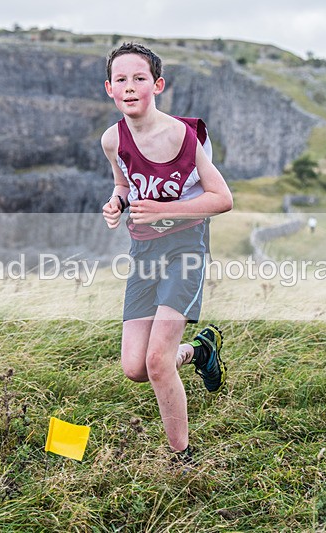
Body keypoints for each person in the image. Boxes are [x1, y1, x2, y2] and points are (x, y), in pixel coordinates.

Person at [100, 42, 233, 461]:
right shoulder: (111, 140)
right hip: (144, 253)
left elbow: (222, 198)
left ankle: (183, 460)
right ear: (109, 88)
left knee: (157, 362)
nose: (130, 86)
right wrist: (116, 203)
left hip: (185, 249)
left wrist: (164, 210)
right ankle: (201, 351)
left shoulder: (182, 136)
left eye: (139, 78)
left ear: (157, 85)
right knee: (135, 368)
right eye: (121, 79)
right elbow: (124, 184)